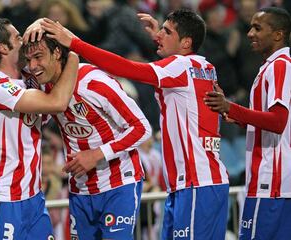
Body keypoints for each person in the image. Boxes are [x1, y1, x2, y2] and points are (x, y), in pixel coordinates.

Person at [28, 8, 230, 239]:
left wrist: (75, 44)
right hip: (189, 181)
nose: (157, 35)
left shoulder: (177, 68)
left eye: (166, 31)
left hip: (187, 181)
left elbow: (126, 71)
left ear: (185, 43)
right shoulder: (203, 68)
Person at [21, 34, 151, 239]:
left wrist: (97, 154)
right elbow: (36, 120)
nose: (33, 65)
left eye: (39, 57)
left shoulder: (94, 82)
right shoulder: (42, 86)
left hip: (118, 184)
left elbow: (142, 128)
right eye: (29, 60)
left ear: (57, 53)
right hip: (80, 188)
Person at [0, 18, 78, 240]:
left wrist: (42, 22)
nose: (25, 41)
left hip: (32, 195)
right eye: (18, 37)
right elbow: (57, 102)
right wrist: (74, 56)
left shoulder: (28, 80)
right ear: (3, 48)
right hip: (3, 195)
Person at [204, 7, 291, 240]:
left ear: (278, 35)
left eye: (258, 28)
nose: (250, 33)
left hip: (271, 181)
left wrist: (231, 107)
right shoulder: (271, 67)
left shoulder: (280, 65)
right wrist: (239, 117)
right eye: (251, 27)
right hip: (276, 182)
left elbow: (279, 121)